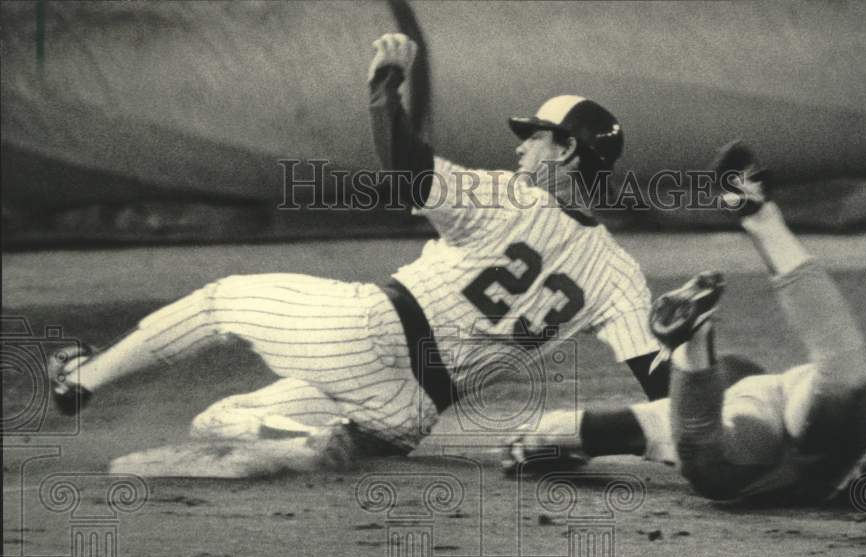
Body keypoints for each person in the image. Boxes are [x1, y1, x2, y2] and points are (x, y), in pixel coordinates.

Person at [48, 33, 670, 471]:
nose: (521, 150)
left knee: (220, 302)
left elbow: (405, 168)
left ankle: (79, 379)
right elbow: (664, 386)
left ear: (563, 152)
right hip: (412, 414)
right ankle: (304, 444)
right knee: (219, 422)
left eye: (534, 139)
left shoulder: (506, 196)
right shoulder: (620, 275)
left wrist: (384, 89)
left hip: (366, 336)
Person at [507, 142, 866, 504]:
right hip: (776, 417)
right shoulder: (860, 445)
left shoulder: (683, 417)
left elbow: (579, 429)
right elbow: (583, 429)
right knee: (836, 386)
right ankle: (749, 243)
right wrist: (539, 442)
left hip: (758, 414)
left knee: (721, 467)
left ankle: (700, 329)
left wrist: (534, 444)